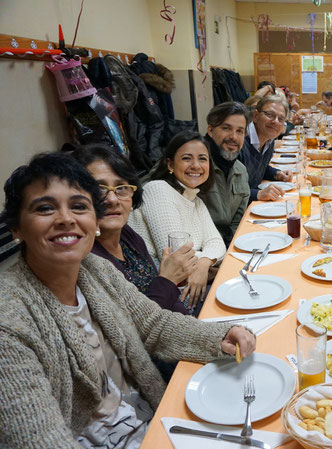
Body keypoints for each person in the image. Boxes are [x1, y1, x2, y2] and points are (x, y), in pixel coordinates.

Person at [0, 152, 256, 448]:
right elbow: (39, 438)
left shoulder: (94, 269)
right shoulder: (9, 322)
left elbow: (152, 323)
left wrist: (221, 336)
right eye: (45, 208)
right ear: (16, 229)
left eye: (79, 206)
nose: (66, 219)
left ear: (94, 221)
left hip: (151, 419)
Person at [72, 144, 194, 314]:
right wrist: (168, 279)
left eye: (121, 188)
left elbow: (171, 302)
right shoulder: (86, 258)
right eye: (99, 189)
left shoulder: (127, 235)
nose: (113, 199)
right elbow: (135, 327)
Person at [128, 131, 226, 310]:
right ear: (170, 164)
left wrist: (204, 264)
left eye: (202, 159)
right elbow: (176, 256)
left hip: (187, 286)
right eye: (187, 158)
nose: (196, 165)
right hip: (164, 296)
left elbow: (217, 244)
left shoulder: (195, 200)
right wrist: (209, 261)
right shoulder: (157, 190)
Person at [199, 102, 251, 247]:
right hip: (201, 250)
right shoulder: (195, 168)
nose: (233, 137)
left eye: (239, 131)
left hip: (226, 247)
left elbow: (237, 222)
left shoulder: (240, 170)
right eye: (226, 128)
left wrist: (231, 250)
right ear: (210, 131)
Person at [238, 95, 292, 202]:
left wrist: (276, 174)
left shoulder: (269, 139)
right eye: (269, 115)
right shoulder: (239, 141)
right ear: (256, 115)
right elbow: (230, 191)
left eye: (280, 119)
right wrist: (258, 194)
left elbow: (258, 167)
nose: (275, 121)